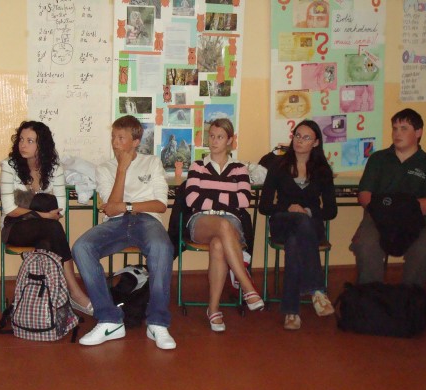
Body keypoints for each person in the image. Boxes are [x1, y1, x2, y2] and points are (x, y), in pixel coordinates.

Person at [72, 115, 176, 350]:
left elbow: (160, 205)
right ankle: (110, 319)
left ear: (136, 142)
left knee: (162, 247)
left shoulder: (152, 163)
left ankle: (157, 323)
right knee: (82, 247)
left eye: (121, 138)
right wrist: (122, 169)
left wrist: (128, 207)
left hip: (147, 219)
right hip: (116, 223)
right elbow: (111, 208)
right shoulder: (104, 169)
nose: (115, 143)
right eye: (113, 137)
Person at [0, 120, 92, 315]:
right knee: (49, 218)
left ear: (42, 145)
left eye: (30, 141)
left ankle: (45, 299)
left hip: (45, 228)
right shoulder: (9, 166)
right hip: (16, 226)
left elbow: (60, 209)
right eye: (21, 139)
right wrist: (41, 214)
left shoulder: (55, 168)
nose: (23, 145)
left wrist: (41, 211)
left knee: (49, 226)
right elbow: (9, 209)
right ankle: (73, 293)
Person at [184, 118, 264, 332]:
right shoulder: (198, 166)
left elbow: (244, 201)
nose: (214, 141)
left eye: (220, 137)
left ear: (229, 140)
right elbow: (192, 199)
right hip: (201, 221)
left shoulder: (239, 169)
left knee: (219, 243)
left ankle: (213, 309)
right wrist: (227, 200)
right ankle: (247, 286)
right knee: (223, 225)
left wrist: (210, 196)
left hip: (231, 222)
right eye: (211, 136)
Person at [259, 119, 337, 330]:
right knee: (298, 226)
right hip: (282, 223)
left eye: (306, 137)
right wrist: (288, 208)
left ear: (316, 143)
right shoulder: (278, 166)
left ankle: (291, 312)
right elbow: (264, 206)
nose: (299, 140)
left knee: (295, 242)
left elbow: (331, 211)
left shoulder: (322, 170)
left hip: (311, 227)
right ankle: (317, 290)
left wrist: (308, 212)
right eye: (297, 135)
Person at [350, 108, 426, 287]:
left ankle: (410, 295)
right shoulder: (378, 158)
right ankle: (370, 294)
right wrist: (386, 211)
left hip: (418, 219)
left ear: (418, 132)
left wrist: (397, 207)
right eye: (394, 128)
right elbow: (364, 195)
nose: (397, 133)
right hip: (379, 217)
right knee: (365, 246)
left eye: (404, 128)